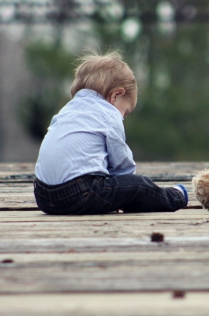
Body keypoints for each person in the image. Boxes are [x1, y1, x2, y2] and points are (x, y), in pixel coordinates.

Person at [33, 50, 188, 215]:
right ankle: (176, 196)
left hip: (42, 196)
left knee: (115, 188)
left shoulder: (66, 110)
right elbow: (122, 165)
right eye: (125, 112)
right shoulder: (108, 114)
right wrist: (127, 188)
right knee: (140, 186)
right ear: (116, 95)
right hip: (79, 194)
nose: (123, 117)